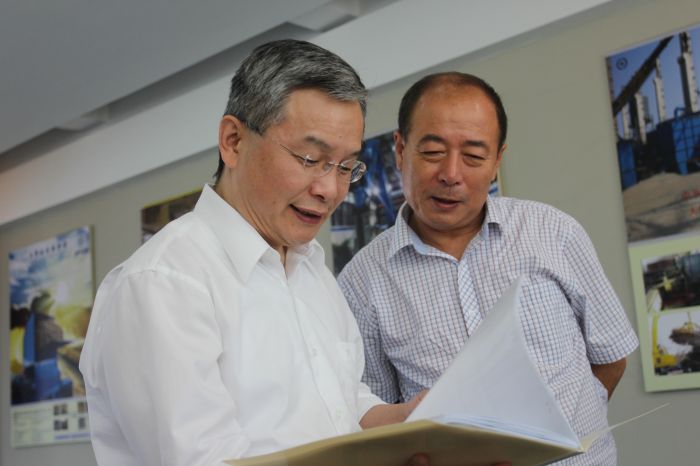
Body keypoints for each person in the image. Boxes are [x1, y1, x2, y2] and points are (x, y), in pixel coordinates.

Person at [79, 39, 428, 466]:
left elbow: (343, 406)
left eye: (344, 167)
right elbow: (204, 460)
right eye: (310, 158)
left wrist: (410, 421)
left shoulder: (312, 272)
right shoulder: (164, 282)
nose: (330, 189)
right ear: (233, 141)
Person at [337, 72, 639, 465]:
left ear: (497, 161)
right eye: (433, 151)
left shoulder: (553, 232)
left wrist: (570, 429)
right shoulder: (362, 282)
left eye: (474, 156)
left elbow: (611, 357)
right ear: (400, 149)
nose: (451, 174)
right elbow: (377, 413)